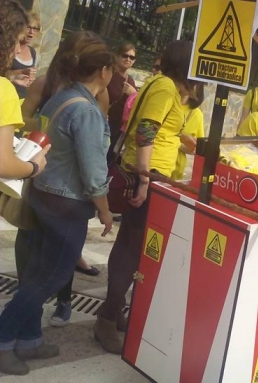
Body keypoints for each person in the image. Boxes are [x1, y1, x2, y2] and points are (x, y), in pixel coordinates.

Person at [0, 34, 114, 375]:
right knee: (51, 277)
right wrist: (106, 211)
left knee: (36, 273)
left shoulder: (61, 96)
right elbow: (94, 173)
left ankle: (30, 339)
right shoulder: (87, 112)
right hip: (66, 206)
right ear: (104, 72)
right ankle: (4, 339)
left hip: (41, 194)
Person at [95, 40, 194, 354]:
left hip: (152, 175)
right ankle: (107, 318)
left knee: (131, 246)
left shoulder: (162, 84)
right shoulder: (165, 88)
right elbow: (146, 131)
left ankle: (113, 312)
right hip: (147, 176)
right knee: (131, 250)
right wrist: (143, 178)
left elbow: (155, 130)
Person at [0, 0, 49, 180]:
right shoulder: (4, 90)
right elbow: (3, 164)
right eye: (18, 40)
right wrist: (34, 167)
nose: (19, 50)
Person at [106, 43, 137, 158]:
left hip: (119, 128)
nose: (128, 59)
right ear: (117, 56)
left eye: (132, 57)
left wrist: (134, 94)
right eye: (125, 55)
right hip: (104, 123)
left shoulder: (131, 81)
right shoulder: (108, 74)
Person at [171, 82, 205, 181]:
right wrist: (180, 141)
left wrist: (184, 144)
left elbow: (197, 148)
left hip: (176, 170)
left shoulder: (196, 114)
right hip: (155, 162)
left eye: (195, 83)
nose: (191, 85)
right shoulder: (168, 101)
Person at [7, 13, 39, 101]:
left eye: (35, 29)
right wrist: (21, 71)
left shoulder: (33, 52)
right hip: (6, 96)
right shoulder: (10, 48)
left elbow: (30, 76)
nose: (31, 32)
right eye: (29, 27)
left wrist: (31, 80)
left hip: (22, 99)